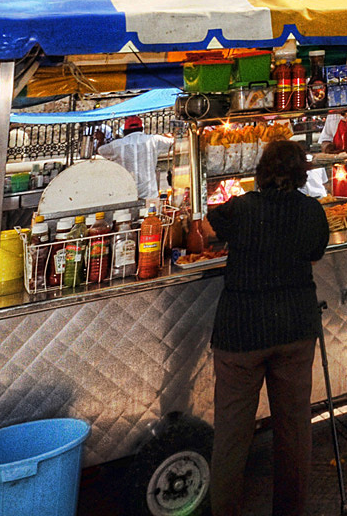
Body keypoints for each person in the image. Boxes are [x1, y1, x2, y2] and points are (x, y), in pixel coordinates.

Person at [197, 139, 329, 516]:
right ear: (301, 174)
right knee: (294, 429)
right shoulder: (312, 212)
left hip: (242, 334)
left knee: (232, 436)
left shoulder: (240, 209)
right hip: (295, 328)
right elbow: (315, 253)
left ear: (261, 173)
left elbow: (205, 231)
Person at [96, 115, 175, 204]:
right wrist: (170, 136)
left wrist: (101, 139)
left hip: (127, 196)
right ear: (141, 129)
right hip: (150, 195)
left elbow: (100, 150)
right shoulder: (153, 140)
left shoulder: (117, 145)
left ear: (125, 131)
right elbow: (174, 143)